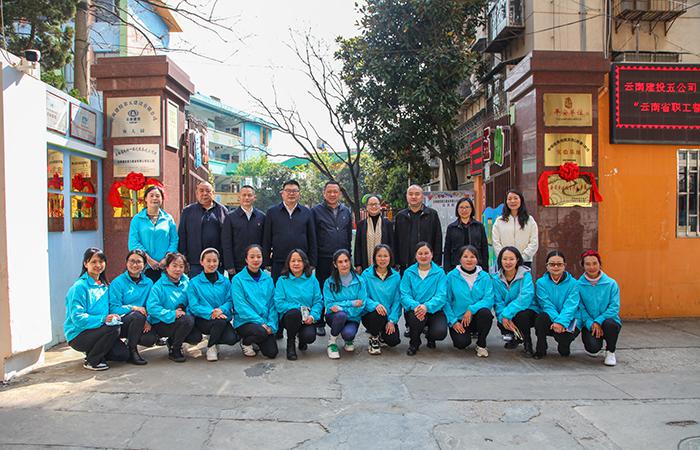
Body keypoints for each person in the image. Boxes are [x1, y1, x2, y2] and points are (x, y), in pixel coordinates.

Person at [64, 248, 129, 371]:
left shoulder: (104, 285)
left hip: (99, 331)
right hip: (79, 335)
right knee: (113, 328)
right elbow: (77, 318)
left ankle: (94, 351)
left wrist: (131, 309)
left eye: (101, 261)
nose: (98, 265)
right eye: (93, 262)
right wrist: (103, 319)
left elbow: (112, 307)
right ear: (85, 264)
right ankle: (92, 360)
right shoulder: (79, 287)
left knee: (122, 354)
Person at [312, 181, 353, 337]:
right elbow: (313, 236)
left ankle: (341, 319)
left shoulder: (346, 211)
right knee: (322, 288)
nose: (332, 194)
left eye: (335, 191)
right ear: (324, 193)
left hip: (342, 259)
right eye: (329, 191)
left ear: (340, 193)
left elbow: (348, 236)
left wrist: (349, 256)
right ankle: (319, 322)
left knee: (342, 289)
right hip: (324, 257)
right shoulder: (316, 211)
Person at [146, 252, 202, 362]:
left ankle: (173, 340)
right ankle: (175, 349)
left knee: (195, 337)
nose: (178, 269)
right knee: (187, 320)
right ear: (167, 267)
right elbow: (152, 308)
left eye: (181, 266)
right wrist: (172, 314)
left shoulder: (187, 282)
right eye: (174, 266)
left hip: (182, 319)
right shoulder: (158, 286)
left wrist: (185, 312)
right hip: (161, 322)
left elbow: (192, 303)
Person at [187, 248, 239, 362]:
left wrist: (221, 310)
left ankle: (214, 337)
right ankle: (211, 347)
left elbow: (230, 300)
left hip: (221, 316)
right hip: (203, 319)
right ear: (201, 262)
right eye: (208, 261)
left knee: (232, 338)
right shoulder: (194, 283)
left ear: (218, 262)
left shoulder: (225, 281)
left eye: (215, 261)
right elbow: (194, 306)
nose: (212, 264)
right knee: (220, 322)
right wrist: (211, 312)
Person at [108, 249, 158, 365]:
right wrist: (133, 308)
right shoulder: (117, 282)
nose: (135, 265)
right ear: (126, 262)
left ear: (144, 265)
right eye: (132, 261)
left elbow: (150, 305)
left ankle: (130, 342)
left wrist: (147, 320)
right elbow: (113, 308)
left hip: (140, 319)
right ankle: (132, 350)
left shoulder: (149, 283)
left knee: (149, 339)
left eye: (139, 262)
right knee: (137, 316)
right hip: (121, 322)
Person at [444, 245, 494, 357]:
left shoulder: (485, 276)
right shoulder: (451, 276)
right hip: (460, 319)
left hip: (478, 317)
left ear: (477, 259)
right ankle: (465, 335)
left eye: (472, 257)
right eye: (465, 256)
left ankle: (481, 344)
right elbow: (446, 301)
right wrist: (453, 322)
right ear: (460, 259)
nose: (469, 260)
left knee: (485, 313)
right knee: (461, 344)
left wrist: (471, 309)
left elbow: (489, 299)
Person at [262, 179, 317, 281]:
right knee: (279, 288)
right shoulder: (272, 212)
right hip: (279, 261)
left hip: (301, 262)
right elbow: (267, 239)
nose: (291, 194)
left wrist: (312, 262)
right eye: (288, 191)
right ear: (282, 193)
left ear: (299, 194)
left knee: (300, 289)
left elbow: (312, 238)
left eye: (294, 191)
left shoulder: (307, 212)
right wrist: (266, 261)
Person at [230, 245, 279, 359]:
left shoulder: (268, 279)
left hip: (265, 323)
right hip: (245, 321)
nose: (256, 260)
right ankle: (245, 342)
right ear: (246, 259)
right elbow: (241, 306)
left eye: (259, 256)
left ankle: (257, 340)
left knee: (272, 353)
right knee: (261, 332)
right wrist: (260, 322)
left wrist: (271, 325)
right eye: (252, 257)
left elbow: (272, 304)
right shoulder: (238, 280)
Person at [274, 249, 323, 360]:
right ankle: (290, 343)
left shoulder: (312, 280)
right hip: (289, 318)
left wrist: (312, 316)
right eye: (293, 261)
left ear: (305, 262)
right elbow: (279, 303)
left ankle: (302, 339)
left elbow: (318, 301)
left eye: (299, 260)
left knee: (309, 337)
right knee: (294, 314)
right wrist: (300, 309)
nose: (296, 263)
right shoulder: (282, 280)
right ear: (288, 263)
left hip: (307, 318)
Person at [400, 242, 448, 356]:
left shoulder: (439, 273)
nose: (423, 256)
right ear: (415, 256)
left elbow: (441, 295)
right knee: (415, 318)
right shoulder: (408, 272)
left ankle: (431, 337)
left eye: (426, 253)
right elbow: (404, 295)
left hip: (434, 310)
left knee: (440, 332)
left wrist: (426, 306)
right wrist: (416, 306)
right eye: (420, 253)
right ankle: (414, 343)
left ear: (432, 254)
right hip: (415, 310)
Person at [492, 246, 538, 356]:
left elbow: (525, 297)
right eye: (505, 259)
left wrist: (506, 314)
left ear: (517, 260)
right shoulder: (496, 279)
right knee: (501, 322)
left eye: (511, 259)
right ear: (500, 260)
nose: (508, 262)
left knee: (521, 316)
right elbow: (498, 302)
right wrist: (502, 317)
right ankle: (516, 338)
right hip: (508, 313)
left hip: (528, 310)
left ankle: (527, 343)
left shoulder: (525, 275)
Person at [533, 251, 580, 359]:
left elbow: (571, 306)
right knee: (541, 318)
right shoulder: (541, 283)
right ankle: (541, 348)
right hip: (550, 317)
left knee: (564, 340)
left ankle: (564, 345)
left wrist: (561, 322)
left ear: (564, 266)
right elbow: (546, 304)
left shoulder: (574, 283)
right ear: (547, 266)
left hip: (569, 319)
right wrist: (557, 321)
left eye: (559, 264)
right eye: (552, 264)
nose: (555, 267)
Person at [578, 250, 621, 367]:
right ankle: (597, 345)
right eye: (587, 264)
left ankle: (610, 351)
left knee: (610, 324)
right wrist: (591, 323)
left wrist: (599, 321)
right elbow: (580, 308)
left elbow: (614, 307)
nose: (592, 267)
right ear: (583, 266)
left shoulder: (611, 284)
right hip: (590, 323)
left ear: (600, 264)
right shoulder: (578, 285)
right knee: (592, 348)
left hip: (608, 321)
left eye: (594, 263)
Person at [128, 185, 178, 282]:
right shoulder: (137, 219)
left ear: (162, 199)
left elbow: (174, 240)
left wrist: (166, 258)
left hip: (165, 266)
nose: (154, 198)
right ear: (145, 199)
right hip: (143, 267)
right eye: (151, 196)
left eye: (158, 196)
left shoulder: (168, 219)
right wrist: (148, 260)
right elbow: (133, 243)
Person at [323, 249, 367, 359]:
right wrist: (352, 303)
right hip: (335, 317)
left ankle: (347, 339)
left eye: (346, 261)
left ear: (350, 262)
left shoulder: (360, 281)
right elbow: (329, 305)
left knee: (348, 334)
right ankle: (332, 342)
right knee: (340, 316)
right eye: (340, 262)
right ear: (335, 264)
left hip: (353, 317)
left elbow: (361, 304)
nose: (344, 264)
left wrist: (341, 307)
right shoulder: (329, 282)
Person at [178, 181, 227, 278]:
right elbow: (182, 235)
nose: (204, 193)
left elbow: (227, 237)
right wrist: (183, 259)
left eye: (208, 191)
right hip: (194, 263)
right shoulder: (188, 211)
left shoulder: (222, 210)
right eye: (201, 191)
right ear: (196, 193)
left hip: (216, 262)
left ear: (213, 193)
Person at [360, 244, 402, 355]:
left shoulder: (396, 276)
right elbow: (363, 297)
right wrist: (375, 305)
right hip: (371, 314)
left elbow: (397, 301)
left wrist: (392, 320)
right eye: (379, 256)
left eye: (385, 256)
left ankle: (382, 335)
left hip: (388, 316)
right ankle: (374, 337)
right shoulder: (366, 274)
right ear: (374, 257)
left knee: (393, 341)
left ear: (390, 258)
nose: (382, 259)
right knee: (378, 314)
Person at [394, 185, 442, 272]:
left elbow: (438, 239)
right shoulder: (400, 216)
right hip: (405, 264)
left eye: (417, 194)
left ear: (422, 196)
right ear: (406, 196)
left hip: (427, 262)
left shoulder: (432, 214)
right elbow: (396, 241)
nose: (413, 197)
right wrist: (396, 262)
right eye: (410, 194)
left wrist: (437, 262)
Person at [221, 185, 265, 277]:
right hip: (237, 265)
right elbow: (226, 243)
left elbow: (265, 242)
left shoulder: (261, 217)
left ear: (254, 198)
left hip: (256, 264)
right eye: (244, 195)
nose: (246, 198)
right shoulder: (230, 217)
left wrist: (264, 263)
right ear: (239, 197)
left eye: (249, 195)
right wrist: (229, 265)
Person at [492, 189, 538, 268]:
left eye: (515, 198)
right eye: (509, 199)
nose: (512, 201)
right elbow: (496, 242)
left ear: (521, 200)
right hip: (505, 262)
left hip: (524, 261)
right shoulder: (499, 221)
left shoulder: (529, 220)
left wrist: (522, 258)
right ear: (506, 202)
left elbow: (534, 242)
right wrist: (505, 258)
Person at [443, 197, 489, 272]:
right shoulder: (451, 227)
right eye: (461, 207)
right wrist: (447, 269)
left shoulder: (479, 226)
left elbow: (484, 248)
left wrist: (485, 269)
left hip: (476, 265)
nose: (464, 210)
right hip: (456, 266)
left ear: (472, 209)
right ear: (457, 210)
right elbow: (447, 250)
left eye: (467, 207)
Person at [354, 194, 393, 272]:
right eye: (371, 204)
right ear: (367, 207)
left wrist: (393, 264)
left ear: (380, 206)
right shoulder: (361, 224)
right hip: (366, 263)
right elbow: (358, 245)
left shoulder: (388, 224)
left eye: (376, 204)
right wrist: (358, 264)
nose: (374, 206)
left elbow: (392, 244)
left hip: (385, 264)